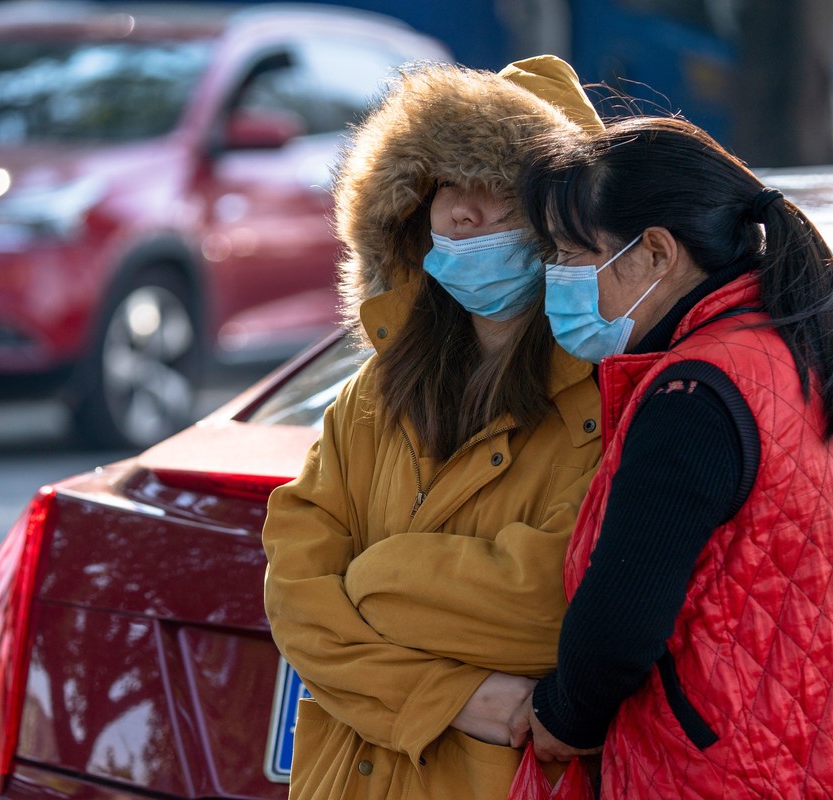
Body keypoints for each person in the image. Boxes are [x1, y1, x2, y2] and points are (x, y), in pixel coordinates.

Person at [518, 115, 833, 799]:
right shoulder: (794, 352)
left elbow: (621, 622)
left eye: (570, 253)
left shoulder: (696, 393)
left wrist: (561, 714)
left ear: (658, 253)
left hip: (726, 775)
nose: (557, 277)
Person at [262, 57, 604, 800]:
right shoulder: (373, 393)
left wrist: (375, 580)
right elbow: (294, 589)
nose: (464, 212)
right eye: (448, 184)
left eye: (499, 190)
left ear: (564, 229)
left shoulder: (603, 406)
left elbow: (555, 605)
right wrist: (449, 696)